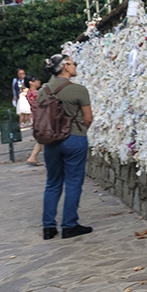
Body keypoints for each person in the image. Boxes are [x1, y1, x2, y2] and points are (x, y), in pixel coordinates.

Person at [39, 54, 94, 240]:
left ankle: (48, 227)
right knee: (73, 183)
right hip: (74, 138)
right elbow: (88, 118)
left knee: (52, 183)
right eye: (72, 63)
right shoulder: (79, 90)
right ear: (65, 67)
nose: (75, 65)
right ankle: (69, 225)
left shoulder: (43, 91)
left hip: (51, 141)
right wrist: (79, 131)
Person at [24, 77, 44, 166]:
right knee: (43, 139)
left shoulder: (29, 93)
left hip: (36, 117)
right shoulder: (37, 93)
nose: (38, 81)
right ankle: (32, 157)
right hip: (42, 117)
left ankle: (32, 157)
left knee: (42, 139)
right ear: (31, 82)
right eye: (36, 79)